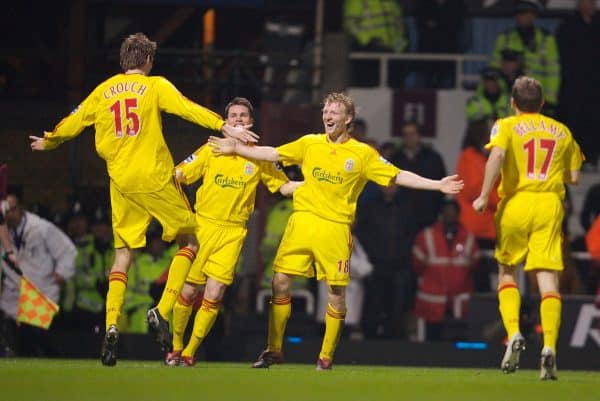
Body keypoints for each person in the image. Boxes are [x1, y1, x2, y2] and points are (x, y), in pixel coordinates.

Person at [28, 32, 257, 366]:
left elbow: (74, 121)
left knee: (122, 255)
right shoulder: (155, 86)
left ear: (123, 60)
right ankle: (161, 311)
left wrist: (49, 141)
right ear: (148, 60)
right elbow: (187, 109)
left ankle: (110, 326)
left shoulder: (103, 90)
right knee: (190, 242)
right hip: (153, 175)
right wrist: (224, 126)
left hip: (120, 181)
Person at [208, 92, 464, 369]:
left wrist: (437, 184)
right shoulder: (309, 143)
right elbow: (272, 153)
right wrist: (236, 148)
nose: (328, 116)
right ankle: (274, 349)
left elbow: (398, 175)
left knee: (336, 293)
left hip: (335, 229)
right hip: (302, 223)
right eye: (326, 111)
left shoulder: (362, 153)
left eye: (334, 112)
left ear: (348, 118)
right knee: (279, 282)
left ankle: (326, 355)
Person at [163, 97, 301, 366]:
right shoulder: (210, 149)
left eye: (243, 116)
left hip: (233, 232)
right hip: (202, 227)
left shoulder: (259, 157)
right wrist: (180, 213)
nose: (238, 119)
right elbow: (177, 175)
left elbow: (284, 187)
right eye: (233, 115)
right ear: (226, 122)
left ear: (251, 122)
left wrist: (313, 185)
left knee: (214, 295)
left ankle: (190, 352)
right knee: (189, 292)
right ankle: (176, 347)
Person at [473, 76, 584, 380]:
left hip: (517, 203)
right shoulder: (561, 131)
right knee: (548, 278)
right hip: (549, 204)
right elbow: (574, 176)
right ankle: (549, 346)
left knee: (507, 271)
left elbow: (496, 155)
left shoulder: (505, 125)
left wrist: (484, 195)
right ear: (542, 103)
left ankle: (514, 333)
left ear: (513, 102)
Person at [0, 193, 76, 357]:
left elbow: (68, 250)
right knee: (19, 345)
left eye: (12, 210)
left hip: (41, 292)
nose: (9, 215)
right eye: (5, 212)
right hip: (14, 294)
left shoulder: (41, 227)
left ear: (20, 209)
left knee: (41, 340)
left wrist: (62, 273)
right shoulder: (3, 232)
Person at [412, 198, 478, 341]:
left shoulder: (468, 238)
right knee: (430, 342)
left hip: (459, 302)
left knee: (458, 341)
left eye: (453, 212)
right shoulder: (426, 236)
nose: (450, 215)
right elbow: (417, 265)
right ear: (441, 214)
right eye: (447, 212)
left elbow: (475, 266)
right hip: (431, 301)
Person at [488, 0, 560, 115]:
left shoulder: (546, 40)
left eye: (527, 12)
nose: (523, 16)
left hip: (536, 101)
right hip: (510, 99)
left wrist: (549, 101)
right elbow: (493, 71)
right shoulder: (504, 38)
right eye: (520, 12)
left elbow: (553, 73)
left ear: (534, 15)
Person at [456, 119, 500, 291]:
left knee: (491, 276)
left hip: (489, 227)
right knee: (475, 276)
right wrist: (499, 199)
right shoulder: (470, 156)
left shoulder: (486, 157)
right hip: (474, 226)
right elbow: (474, 190)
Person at [556, 0, 600, 167]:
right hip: (573, 85)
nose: (591, 5)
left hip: (596, 85)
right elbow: (563, 56)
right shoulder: (568, 26)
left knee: (595, 121)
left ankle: (592, 157)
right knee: (574, 122)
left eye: (593, 2)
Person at [392, 122, 448, 233]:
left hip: (427, 215)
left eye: (412, 134)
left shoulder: (433, 158)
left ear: (419, 136)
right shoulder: (395, 159)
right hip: (400, 216)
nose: (409, 138)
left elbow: (441, 186)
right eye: (406, 134)